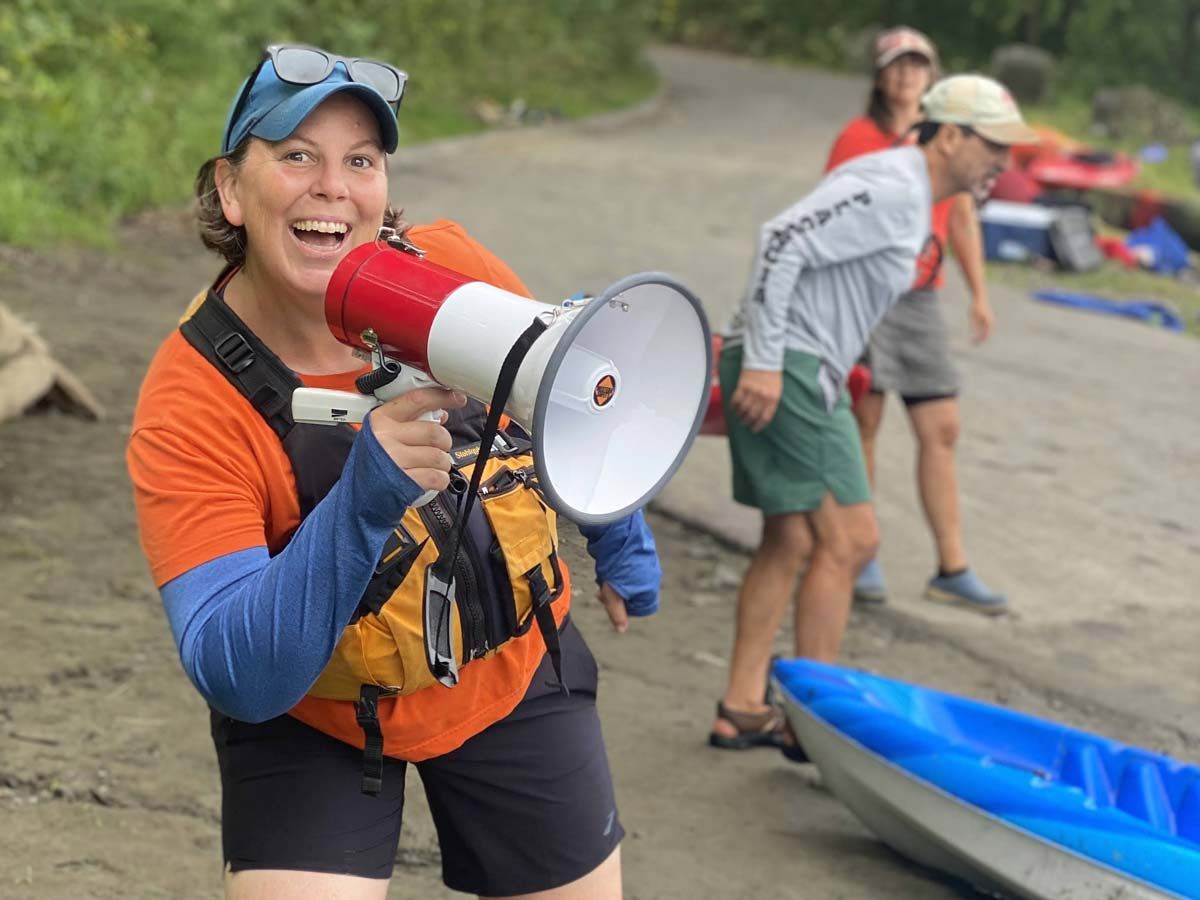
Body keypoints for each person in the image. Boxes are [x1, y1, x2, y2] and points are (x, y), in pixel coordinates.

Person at [127, 44, 660, 900]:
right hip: (316, 715)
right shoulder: (190, 400)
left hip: (510, 663)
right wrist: (365, 496)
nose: (332, 186)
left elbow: (565, 393)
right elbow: (236, 669)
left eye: (360, 160)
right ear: (231, 188)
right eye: (296, 154)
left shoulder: (449, 265)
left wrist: (618, 531)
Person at [709, 74, 1036, 753]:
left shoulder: (914, 195)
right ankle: (815, 724)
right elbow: (779, 241)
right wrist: (767, 361)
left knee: (793, 541)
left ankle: (742, 706)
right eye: (995, 145)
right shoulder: (892, 185)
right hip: (786, 365)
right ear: (949, 135)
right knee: (851, 541)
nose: (1005, 162)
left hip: (806, 368)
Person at [826, 27, 1008, 614]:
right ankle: (861, 549)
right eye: (896, 65)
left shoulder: (949, 141)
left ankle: (952, 566)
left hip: (923, 299)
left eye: (917, 65)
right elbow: (832, 215)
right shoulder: (859, 138)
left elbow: (959, 216)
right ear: (880, 76)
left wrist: (979, 292)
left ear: (933, 75)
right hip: (870, 294)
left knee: (943, 427)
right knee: (867, 418)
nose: (906, 75)